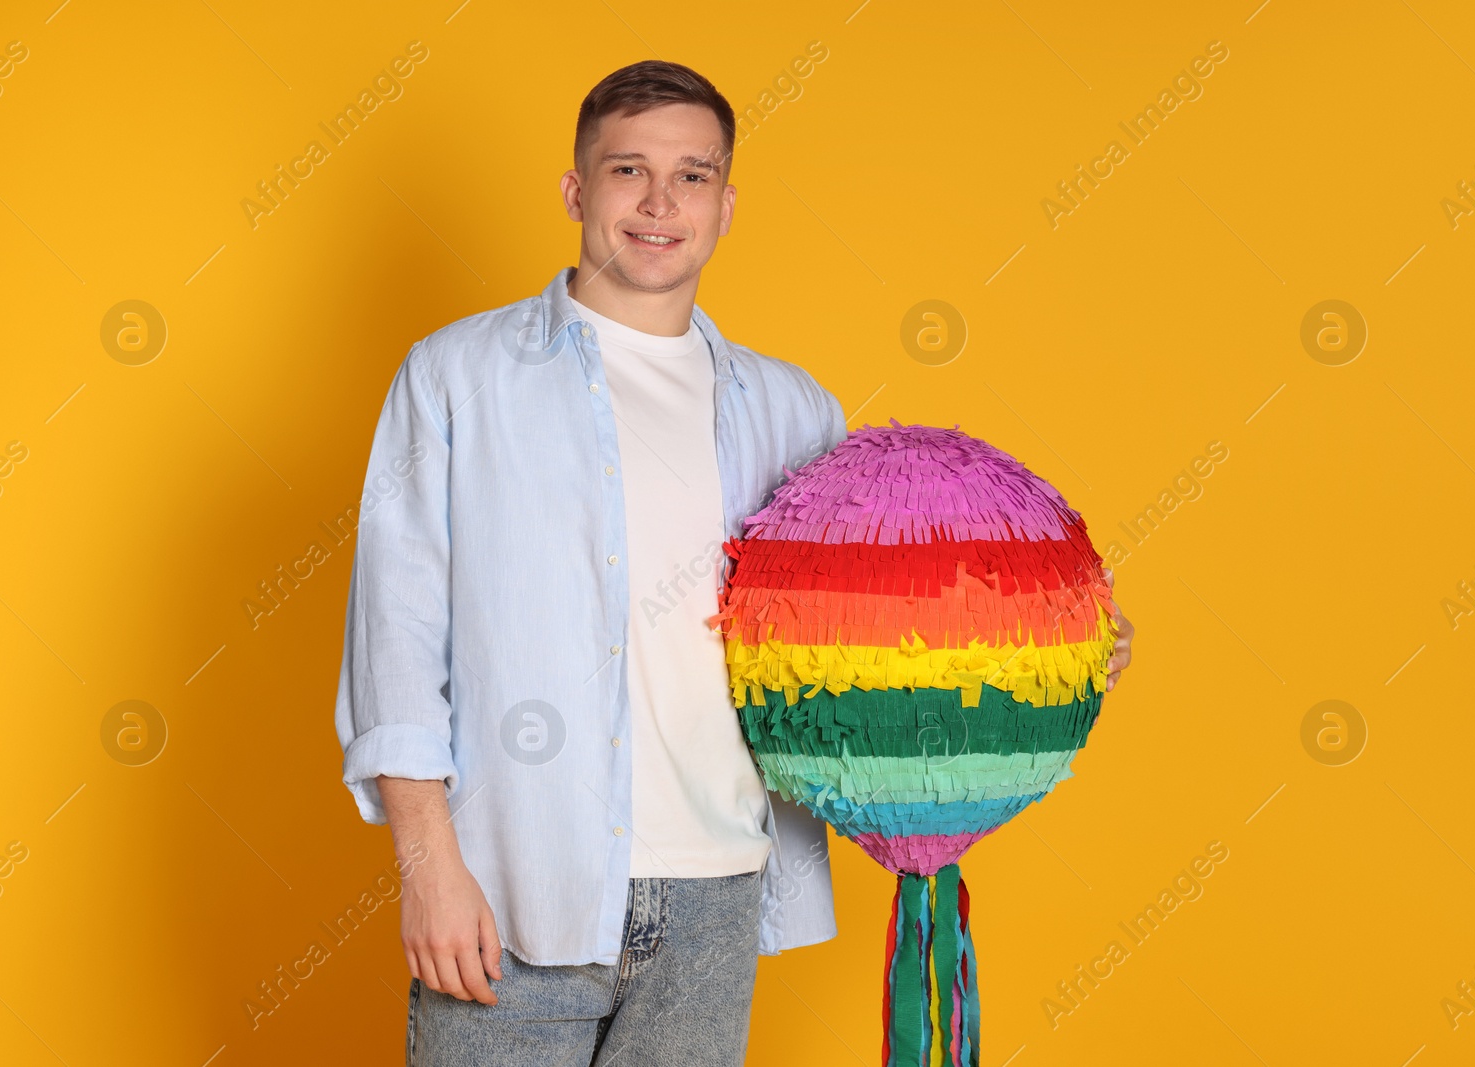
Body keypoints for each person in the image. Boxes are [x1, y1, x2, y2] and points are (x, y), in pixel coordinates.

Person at [333, 59, 1135, 1067]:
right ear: (577, 191)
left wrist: (1049, 636)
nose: (659, 202)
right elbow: (395, 640)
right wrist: (428, 866)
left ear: (725, 204)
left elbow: (875, 617)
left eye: (693, 175)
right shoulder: (457, 376)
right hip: (508, 880)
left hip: (718, 887)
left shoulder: (794, 410)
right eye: (627, 170)